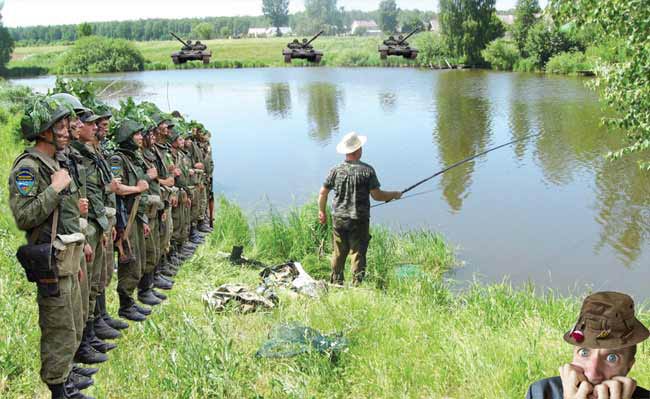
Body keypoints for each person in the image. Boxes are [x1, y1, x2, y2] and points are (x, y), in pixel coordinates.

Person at [10, 96, 95, 399]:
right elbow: (24, 216)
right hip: (51, 260)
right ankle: (59, 390)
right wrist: (55, 188)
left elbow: (68, 215)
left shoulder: (55, 162)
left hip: (68, 257)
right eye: (59, 124)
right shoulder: (28, 167)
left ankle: (67, 378)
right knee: (58, 328)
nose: (66, 129)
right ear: (43, 130)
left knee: (71, 323)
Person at [526, 291, 650, 399]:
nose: (593, 374)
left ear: (628, 366)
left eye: (612, 358)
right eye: (584, 353)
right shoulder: (540, 392)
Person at [318, 132, 402, 285]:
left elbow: (323, 192)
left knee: (339, 251)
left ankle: (336, 281)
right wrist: (394, 194)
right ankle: (357, 284)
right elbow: (377, 195)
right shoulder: (367, 171)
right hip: (359, 220)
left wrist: (321, 211)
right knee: (358, 252)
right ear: (357, 151)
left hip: (339, 219)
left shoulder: (335, 170)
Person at [110, 119, 152, 321]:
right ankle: (125, 305)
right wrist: (137, 189)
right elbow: (117, 188)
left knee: (138, 261)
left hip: (136, 217)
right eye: (136, 134)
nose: (140, 138)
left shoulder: (133, 158)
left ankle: (131, 300)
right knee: (129, 261)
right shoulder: (118, 159)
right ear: (127, 136)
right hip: (125, 218)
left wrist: (143, 219)